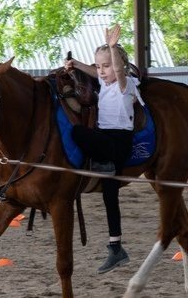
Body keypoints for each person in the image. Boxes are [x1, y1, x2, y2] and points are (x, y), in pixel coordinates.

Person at [64, 23, 142, 274]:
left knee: (77, 132)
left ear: (118, 64)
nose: (101, 71)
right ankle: (116, 248)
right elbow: (95, 72)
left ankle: (104, 163)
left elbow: (117, 71)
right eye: (99, 66)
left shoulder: (125, 83)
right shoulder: (105, 82)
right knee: (110, 198)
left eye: (106, 65)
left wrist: (112, 49)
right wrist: (75, 63)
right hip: (105, 137)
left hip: (119, 141)